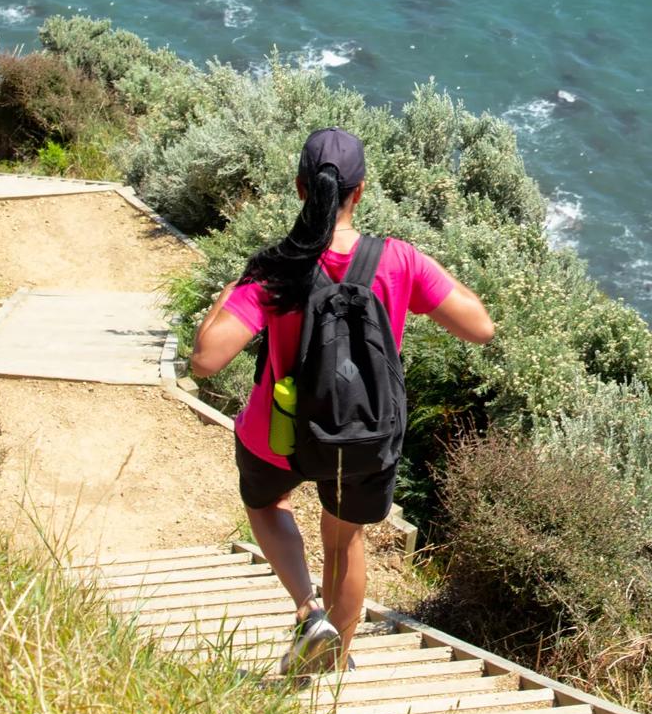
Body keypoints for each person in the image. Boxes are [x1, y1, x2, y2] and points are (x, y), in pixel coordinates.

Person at [188, 126, 494, 677]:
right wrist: (419, 273)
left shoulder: (276, 267)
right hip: (364, 432)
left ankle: (309, 613)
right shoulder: (397, 260)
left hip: (278, 432)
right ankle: (333, 663)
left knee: (266, 505)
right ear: (362, 189)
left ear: (302, 188)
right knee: (343, 539)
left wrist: (241, 279)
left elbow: (207, 357)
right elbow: (480, 326)